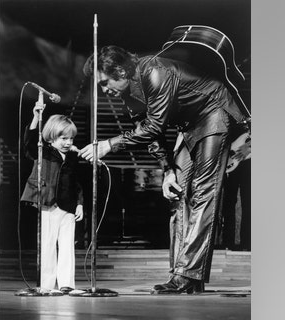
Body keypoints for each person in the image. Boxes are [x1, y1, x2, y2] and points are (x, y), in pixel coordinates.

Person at [78, 45, 249, 294]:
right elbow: (151, 134)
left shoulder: (154, 72)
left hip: (214, 111)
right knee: (177, 193)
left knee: (203, 192)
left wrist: (109, 144)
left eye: (105, 83)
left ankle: (186, 276)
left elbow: (154, 125)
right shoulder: (128, 95)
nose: (104, 90)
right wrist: (167, 170)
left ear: (121, 72)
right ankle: (183, 275)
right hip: (189, 126)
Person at [20, 106, 84, 294]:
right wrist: (35, 119)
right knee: (47, 245)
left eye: (71, 138)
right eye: (63, 138)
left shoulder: (72, 157)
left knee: (67, 245)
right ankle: (47, 285)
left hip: (69, 206)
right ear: (51, 137)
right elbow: (29, 144)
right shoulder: (44, 152)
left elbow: (77, 183)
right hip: (49, 203)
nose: (68, 142)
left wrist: (80, 203)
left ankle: (66, 283)